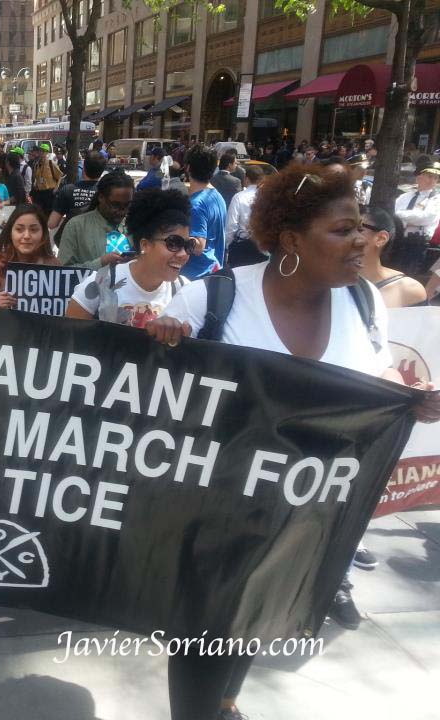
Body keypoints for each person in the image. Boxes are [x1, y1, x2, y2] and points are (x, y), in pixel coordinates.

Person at [146, 163, 440, 720]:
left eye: (360, 227)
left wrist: (411, 397)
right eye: (341, 229)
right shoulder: (214, 300)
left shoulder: (362, 302)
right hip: (214, 522)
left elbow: (372, 379)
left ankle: (226, 705)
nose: (361, 240)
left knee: (259, 619)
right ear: (289, 240)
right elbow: (154, 398)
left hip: (304, 519)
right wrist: (163, 345)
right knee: (205, 641)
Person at [66, 189, 191, 326]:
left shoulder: (185, 291)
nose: (183, 254)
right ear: (145, 245)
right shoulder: (100, 285)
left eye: (188, 245)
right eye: (173, 243)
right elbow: (68, 339)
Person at [0, 204, 61, 307]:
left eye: (34, 230)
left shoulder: (54, 266)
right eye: (19, 229)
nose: (26, 236)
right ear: (10, 232)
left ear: (43, 234)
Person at [58, 171, 135, 270]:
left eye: (127, 205)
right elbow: (64, 271)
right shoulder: (76, 226)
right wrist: (100, 263)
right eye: (115, 205)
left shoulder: (134, 226)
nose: (122, 211)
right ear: (101, 197)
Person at [360, 206, 427, 308]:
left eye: (358, 229)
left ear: (381, 238)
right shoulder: (330, 282)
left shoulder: (408, 290)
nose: (347, 236)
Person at [183, 144, 227, 279]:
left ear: (188, 168)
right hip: (214, 270)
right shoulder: (217, 196)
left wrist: (175, 239)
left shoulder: (196, 204)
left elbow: (198, 246)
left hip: (196, 275)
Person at [393, 157, 440, 276]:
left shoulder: (436, 199)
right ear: (419, 177)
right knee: (394, 273)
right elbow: (393, 212)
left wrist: (401, 216)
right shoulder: (405, 197)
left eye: (435, 177)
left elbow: (426, 217)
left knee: (409, 277)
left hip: (417, 244)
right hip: (398, 241)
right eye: (429, 176)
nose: (433, 180)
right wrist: (408, 220)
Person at [48, 152, 105, 234]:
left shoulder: (67, 190)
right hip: (98, 240)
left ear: (83, 168)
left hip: (72, 240)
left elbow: (52, 224)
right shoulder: (105, 192)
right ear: (102, 170)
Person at [224, 163, 266, 267]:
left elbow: (231, 225)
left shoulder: (239, 197)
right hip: (263, 246)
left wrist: (227, 245)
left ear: (246, 179)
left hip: (242, 248)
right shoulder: (268, 197)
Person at [31, 141, 63, 214]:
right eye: (40, 151)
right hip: (39, 192)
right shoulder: (36, 164)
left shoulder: (51, 163)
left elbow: (60, 176)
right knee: (40, 213)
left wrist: (56, 188)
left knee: (49, 212)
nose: (41, 153)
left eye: (43, 151)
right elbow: (36, 177)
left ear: (47, 153)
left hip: (49, 192)